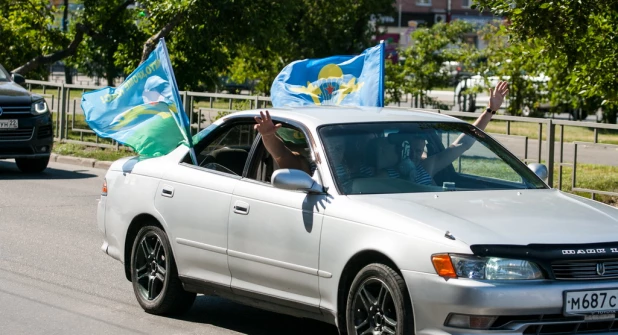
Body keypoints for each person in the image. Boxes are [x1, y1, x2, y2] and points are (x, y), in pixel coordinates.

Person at [396, 81, 509, 185]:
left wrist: (490, 111)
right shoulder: (384, 174)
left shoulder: (426, 167)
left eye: (418, 151)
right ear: (400, 148)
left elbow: (463, 143)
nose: (414, 156)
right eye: (409, 150)